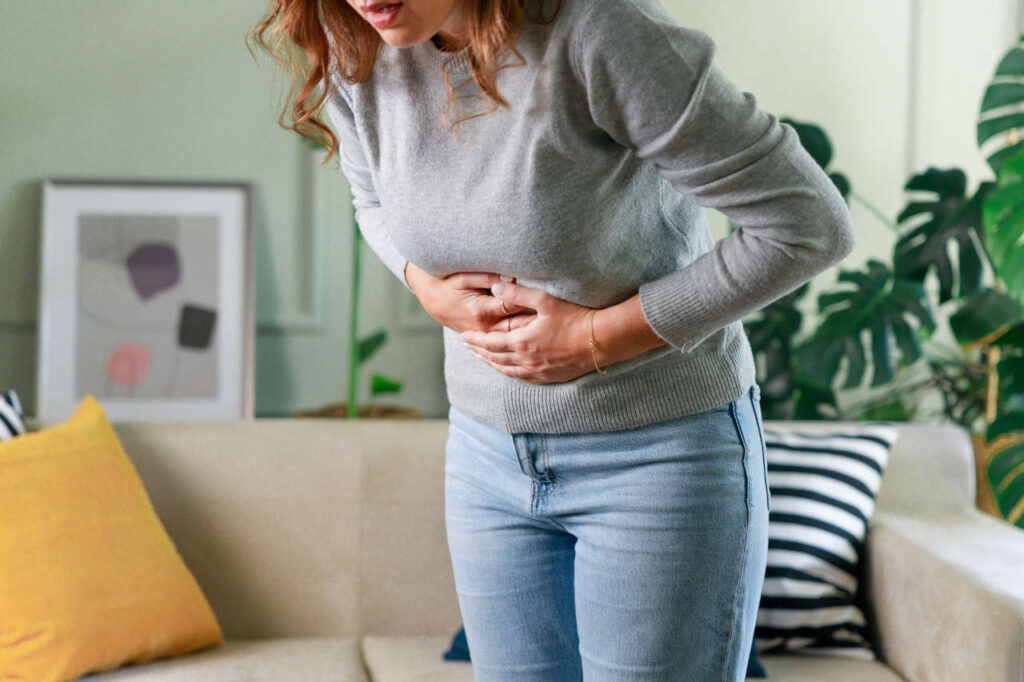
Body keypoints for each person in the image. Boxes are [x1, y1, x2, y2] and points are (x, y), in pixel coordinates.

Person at [248, 0, 855, 679]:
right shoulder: (352, 33)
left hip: (659, 457)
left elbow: (807, 225)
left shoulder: (602, 33)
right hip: (485, 460)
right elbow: (370, 201)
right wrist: (424, 283)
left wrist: (596, 337)